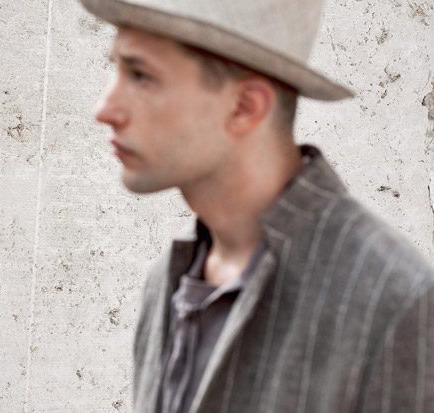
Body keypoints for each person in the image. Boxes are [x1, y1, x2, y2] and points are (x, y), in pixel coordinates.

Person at [79, 0, 434, 412]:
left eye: (140, 75)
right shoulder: (168, 281)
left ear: (245, 106)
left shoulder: (392, 300)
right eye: (116, 69)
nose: (105, 110)